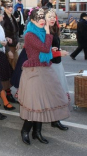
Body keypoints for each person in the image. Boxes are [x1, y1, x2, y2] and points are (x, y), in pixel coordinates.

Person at [19, 8, 70, 145]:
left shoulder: (41, 32)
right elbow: (44, 48)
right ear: (33, 20)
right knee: (35, 104)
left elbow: (46, 50)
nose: (42, 20)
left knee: (42, 104)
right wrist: (48, 32)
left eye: (43, 18)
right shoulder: (30, 34)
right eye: (39, 18)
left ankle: (37, 132)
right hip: (34, 72)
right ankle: (25, 131)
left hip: (45, 69)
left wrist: (51, 48)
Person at [47, 9, 71, 131]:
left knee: (57, 93)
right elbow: (42, 53)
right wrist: (58, 54)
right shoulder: (44, 32)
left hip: (57, 65)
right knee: (53, 93)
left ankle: (55, 119)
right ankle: (52, 119)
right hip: (49, 67)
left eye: (53, 16)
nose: (52, 18)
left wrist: (58, 53)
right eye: (49, 16)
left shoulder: (54, 30)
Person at [0, 8, 16, 111]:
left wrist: (6, 40)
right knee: (0, 77)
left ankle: (3, 99)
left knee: (3, 76)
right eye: (1, 14)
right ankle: (4, 101)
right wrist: (4, 43)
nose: (3, 16)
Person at [0, 0, 19, 103]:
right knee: (8, 70)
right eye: (8, 7)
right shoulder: (3, 18)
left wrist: (18, 42)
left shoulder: (12, 17)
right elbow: (2, 35)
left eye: (12, 6)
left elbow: (16, 32)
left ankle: (8, 91)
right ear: (4, 8)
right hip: (7, 47)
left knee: (13, 69)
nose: (11, 8)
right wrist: (8, 50)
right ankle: (7, 93)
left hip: (14, 46)